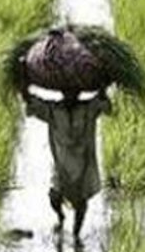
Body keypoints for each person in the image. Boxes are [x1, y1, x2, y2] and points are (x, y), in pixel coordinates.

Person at [22, 87, 112, 238]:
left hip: (83, 163)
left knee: (81, 203)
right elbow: (33, 106)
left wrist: (103, 89)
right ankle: (60, 217)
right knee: (54, 196)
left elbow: (105, 106)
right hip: (61, 164)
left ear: (78, 93)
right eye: (68, 91)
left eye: (73, 91)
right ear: (63, 93)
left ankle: (77, 235)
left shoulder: (88, 108)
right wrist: (24, 91)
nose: (70, 94)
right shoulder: (53, 109)